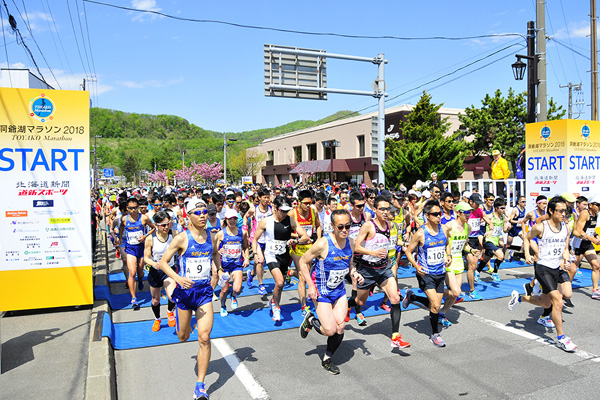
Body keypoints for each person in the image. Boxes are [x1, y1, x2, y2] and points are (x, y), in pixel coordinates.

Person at [158, 200, 220, 399]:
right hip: (185, 293)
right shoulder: (182, 238)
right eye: (198, 212)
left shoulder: (212, 236)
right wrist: (176, 278)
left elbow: (216, 255)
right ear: (189, 216)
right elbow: (162, 263)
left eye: (205, 212)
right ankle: (169, 288)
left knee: (204, 337)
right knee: (183, 337)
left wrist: (216, 272)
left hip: (203, 293)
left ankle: (200, 385)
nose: (203, 215)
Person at [508, 196, 577, 352]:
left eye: (565, 211)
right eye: (560, 211)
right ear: (551, 211)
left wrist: (566, 259)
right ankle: (562, 338)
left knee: (546, 303)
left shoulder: (566, 227)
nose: (563, 214)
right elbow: (527, 238)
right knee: (558, 301)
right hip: (543, 268)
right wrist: (527, 254)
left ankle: (519, 298)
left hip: (557, 267)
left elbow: (565, 248)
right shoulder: (541, 227)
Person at [298, 209, 361, 375]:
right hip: (322, 291)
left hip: (339, 290)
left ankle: (327, 358)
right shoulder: (323, 244)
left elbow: (350, 265)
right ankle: (311, 320)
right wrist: (310, 285)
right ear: (332, 226)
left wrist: (355, 274)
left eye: (348, 226)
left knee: (341, 327)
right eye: (340, 227)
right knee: (330, 330)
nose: (344, 230)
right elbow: (304, 262)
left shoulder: (351, 243)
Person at [351, 195, 410, 348]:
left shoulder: (389, 225)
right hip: (367, 269)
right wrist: (374, 254)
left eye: (387, 209)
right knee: (360, 301)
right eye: (382, 209)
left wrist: (388, 259)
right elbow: (357, 247)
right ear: (375, 209)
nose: (385, 211)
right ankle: (345, 304)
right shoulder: (368, 226)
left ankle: (395, 337)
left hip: (383, 269)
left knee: (395, 298)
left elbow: (385, 245)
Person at [403, 200, 452, 347]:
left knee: (434, 304)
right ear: (427, 216)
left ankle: (412, 297)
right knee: (436, 305)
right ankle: (434, 334)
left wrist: (448, 256)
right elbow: (408, 251)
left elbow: (447, 243)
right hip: (426, 274)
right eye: (435, 214)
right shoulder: (420, 233)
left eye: (440, 213)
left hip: (440, 272)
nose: (439, 216)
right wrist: (416, 266)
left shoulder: (444, 229)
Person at [252, 196, 310, 321]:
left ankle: (273, 300)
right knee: (279, 282)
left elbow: (305, 236)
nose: (284, 214)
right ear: (275, 208)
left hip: (284, 256)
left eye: (287, 211)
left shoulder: (291, 220)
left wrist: (296, 241)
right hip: (271, 255)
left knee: (280, 286)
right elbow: (255, 240)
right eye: (282, 211)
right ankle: (277, 308)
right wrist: (257, 254)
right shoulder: (266, 221)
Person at [438, 202, 476, 326]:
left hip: (459, 260)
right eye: (466, 213)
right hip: (448, 260)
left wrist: (471, 250)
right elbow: (441, 242)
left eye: (470, 212)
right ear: (458, 213)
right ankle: (432, 291)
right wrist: (444, 256)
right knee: (456, 292)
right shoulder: (449, 226)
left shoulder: (468, 227)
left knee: (455, 294)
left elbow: (464, 244)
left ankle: (441, 313)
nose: (468, 215)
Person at [117, 197, 156, 310]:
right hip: (130, 248)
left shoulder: (144, 218)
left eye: (135, 208)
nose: (133, 210)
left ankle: (140, 280)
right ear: (127, 208)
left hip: (141, 248)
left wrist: (145, 236)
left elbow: (153, 228)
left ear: (138, 207)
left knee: (140, 271)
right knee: (132, 272)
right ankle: (134, 298)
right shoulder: (124, 219)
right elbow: (121, 227)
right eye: (130, 208)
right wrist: (120, 237)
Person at [143, 211, 177, 332]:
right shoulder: (150, 239)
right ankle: (157, 319)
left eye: (168, 223)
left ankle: (170, 312)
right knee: (155, 300)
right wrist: (154, 264)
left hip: (169, 270)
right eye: (163, 225)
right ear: (156, 225)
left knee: (172, 296)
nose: (166, 227)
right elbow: (146, 257)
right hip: (155, 272)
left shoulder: (174, 234)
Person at [289, 190, 321, 315]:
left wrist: (318, 239)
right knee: (302, 277)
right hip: (297, 248)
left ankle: (291, 272)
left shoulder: (314, 212)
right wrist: (298, 235)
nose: (308, 206)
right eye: (305, 203)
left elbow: (318, 226)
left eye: (310, 203)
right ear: (299, 202)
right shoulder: (293, 214)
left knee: (310, 273)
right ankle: (303, 306)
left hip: (311, 248)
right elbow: (285, 230)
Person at [214, 208, 250, 316]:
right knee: (224, 290)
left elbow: (246, 246)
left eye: (234, 218)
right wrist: (219, 252)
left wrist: (247, 257)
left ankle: (233, 296)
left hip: (237, 264)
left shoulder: (242, 233)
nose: (233, 221)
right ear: (226, 219)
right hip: (224, 265)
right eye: (230, 219)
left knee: (237, 289)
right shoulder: (221, 234)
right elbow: (214, 252)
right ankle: (223, 305)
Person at [572, 195, 600, 299]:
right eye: (598, 205)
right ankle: (563, 289)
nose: (599, 207)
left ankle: (595, 290)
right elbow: (579, 230)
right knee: (573, 269)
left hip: (587, 244)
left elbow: (591, 228)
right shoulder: (585, 213)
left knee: (596, 265)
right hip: (579, 243)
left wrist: (596, 236)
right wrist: (593, 240)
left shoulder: (596, 214)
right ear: (591, 205)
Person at [476, 197, 510, 283]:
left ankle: (477, 272)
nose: (503, 210)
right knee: (501, 256)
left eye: (504, 208)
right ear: (496, 207)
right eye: (501, 208)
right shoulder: (490, 216)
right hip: (488, 240)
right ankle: (495, 273)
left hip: (495, 241)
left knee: (486, 259)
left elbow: (504, 230)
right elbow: (479, 222)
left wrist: (508, 228)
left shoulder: (503, 218)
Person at [248, 187, 272, 295]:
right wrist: (245, 227)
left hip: (268, 239)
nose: (267, 199)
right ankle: (261, 284)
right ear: (259, 197)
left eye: (268, 197)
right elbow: (245, 216)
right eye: (265, 197)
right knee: (260, 261)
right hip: (257, 239)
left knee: (258, 261)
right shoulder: (254, 209)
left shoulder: (272, 209)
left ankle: (252, 273)